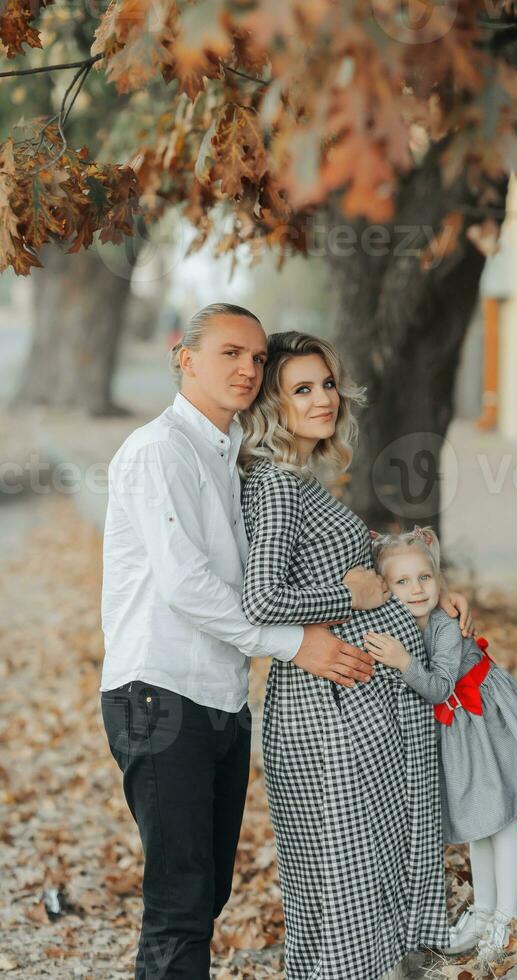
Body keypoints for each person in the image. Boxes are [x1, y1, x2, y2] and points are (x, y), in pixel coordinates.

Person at [99, 304, 378, 979]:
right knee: (181, 902)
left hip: (222, 698)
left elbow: (292, 560)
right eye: (231, 353)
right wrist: (294, 644)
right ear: (185, 358)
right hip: (159, 694)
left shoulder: (230, 456)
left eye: (257, 358)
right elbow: (186, 585)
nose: (249, 369)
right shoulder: (158, 449)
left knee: (208, 892)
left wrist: (406, 569)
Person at [238, 331, 474, 980]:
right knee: (344, 873)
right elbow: (261, 598)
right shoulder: (279, 485)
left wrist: (429, 590)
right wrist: (347, 594)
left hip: (355, 700)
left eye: (327, 385)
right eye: (301, 389)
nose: (322, 399)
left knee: (361, 869)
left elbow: (365, 552)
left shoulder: (305, 480)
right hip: (324, 708)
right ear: (271, 404)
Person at [365, 525, 517, 964]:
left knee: (501, 822)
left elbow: (438, 687)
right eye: (402, 581)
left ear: (439, 580)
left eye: (425, 578)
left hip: (484, 721)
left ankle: (507, 918)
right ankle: (484, 910)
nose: (416, 589)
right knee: (479, 822)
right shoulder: (396, 619)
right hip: (459, 729)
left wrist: (401, 661)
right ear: (383, 586)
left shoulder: (444, 626)